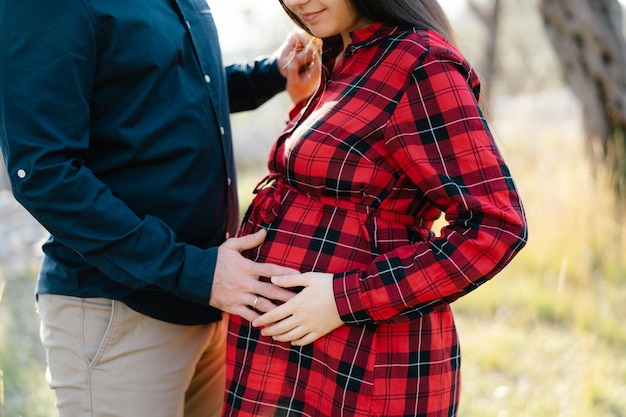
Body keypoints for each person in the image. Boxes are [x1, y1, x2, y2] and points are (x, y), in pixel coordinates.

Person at [0, 1, 321, 416]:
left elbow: (170, 93)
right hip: (120, 313)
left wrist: (268, 74)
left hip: (209, 303)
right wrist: (195, 272)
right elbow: (44, 174)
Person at [224, 0, 528, 416]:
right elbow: (350, 180)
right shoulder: (341, 55)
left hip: (363, 353)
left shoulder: (421, 63)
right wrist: (302, 107)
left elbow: (496, 225)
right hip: (292, 353)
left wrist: (344, 299)